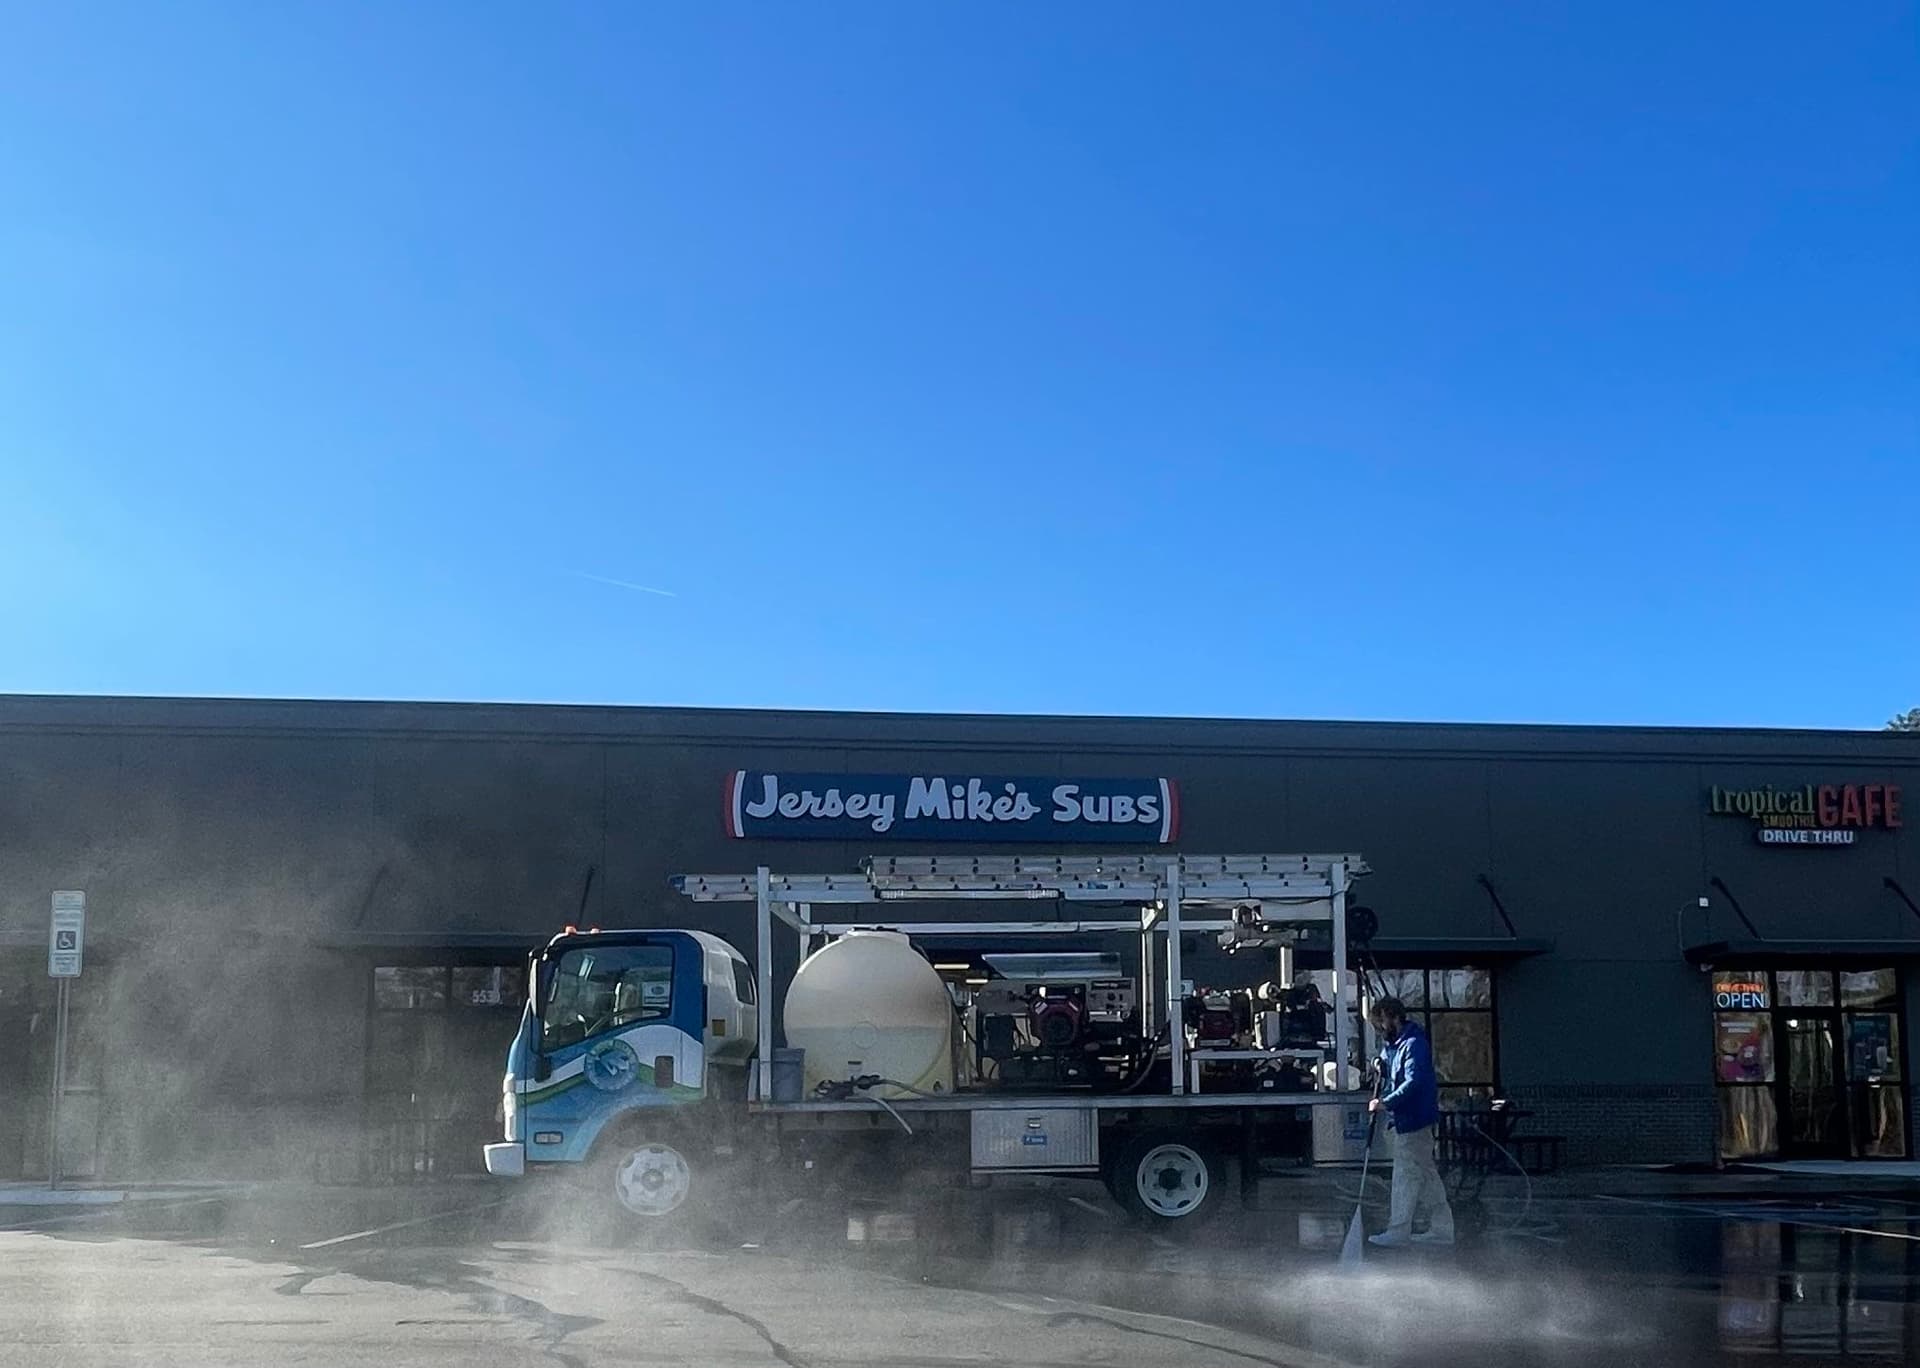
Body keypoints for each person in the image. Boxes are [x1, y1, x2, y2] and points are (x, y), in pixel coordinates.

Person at [1366, 996, 1455, 1248]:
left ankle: (1399, 1230)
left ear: (1393, 1017)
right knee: (1426, 1176)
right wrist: (1377, 1064)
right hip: (1407, 1121)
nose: (1379, 1029)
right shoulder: (1396, 1045)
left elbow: (1414, 1082)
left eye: (1381, 1023)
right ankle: (1442, 1229)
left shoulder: (1414, 1045)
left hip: (1414, 1121)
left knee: (1405, 1176)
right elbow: (1386, 1061)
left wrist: (1385, 1103)